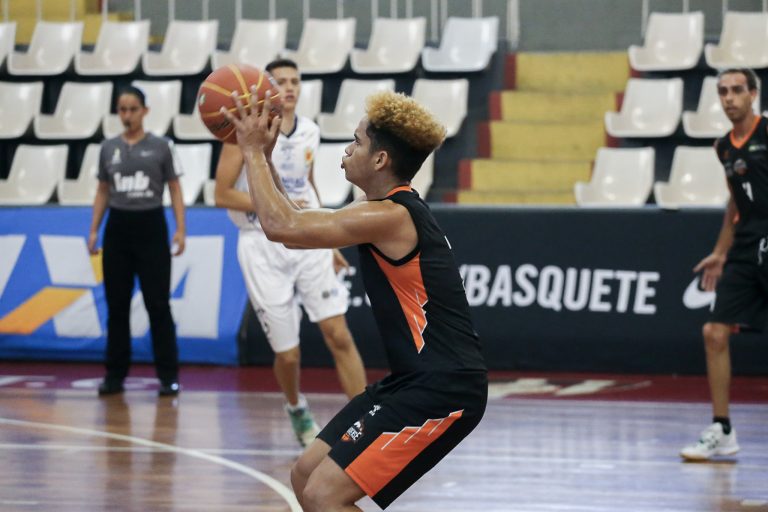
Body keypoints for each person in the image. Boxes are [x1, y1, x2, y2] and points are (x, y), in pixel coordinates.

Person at [222, 88, 488, 510]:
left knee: (325, 494)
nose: (347, 150)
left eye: (357, 142)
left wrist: (251, 152)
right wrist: (267, 159)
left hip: (444, 387)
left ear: (380, 160)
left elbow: (281, 227)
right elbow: (294, 222)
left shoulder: (389, 216)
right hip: (411, 379)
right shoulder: (381, 208)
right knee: (305, 474)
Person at [214, 58, 367, 448]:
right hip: (261, 242)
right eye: (280, 81)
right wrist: (274, 206)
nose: (289, 87)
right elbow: (222, 194)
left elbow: (308, 187)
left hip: (305, 239)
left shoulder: (310, 131)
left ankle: (365, 422)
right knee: (289, 354)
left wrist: (328, 241)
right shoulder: (243, 133)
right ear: (266, 89)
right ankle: (296, 407)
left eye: (295, 81)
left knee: (338, 334)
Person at [680, 68, 766, 461]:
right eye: (722, 92)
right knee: (714, 332)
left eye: (737, 90)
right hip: (746, 247)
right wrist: (720, 251)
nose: (729, 98)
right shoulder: (724, 147)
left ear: (753, 94)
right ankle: (722, 429)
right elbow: (735, 201)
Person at [88, 85, 186, 397]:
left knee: (158, 304)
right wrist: (94, 229)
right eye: (122, 109)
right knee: (116, 305)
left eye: (133, 109)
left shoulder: (162, 146)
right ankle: (114, 375)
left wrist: (180, 228)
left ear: (145, 111)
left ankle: (168, 376)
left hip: (151, 226)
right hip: (118, 228)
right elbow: (103, 190)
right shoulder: (108, 148)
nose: (127, 115)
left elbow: (175, 188)